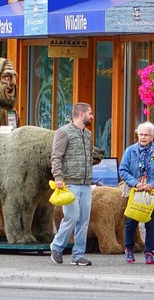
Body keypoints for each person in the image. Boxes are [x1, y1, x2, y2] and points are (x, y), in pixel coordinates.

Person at [50, 102, 95, 267]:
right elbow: (56, 156)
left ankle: (78, 255)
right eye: (90, 113)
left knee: (84, 220)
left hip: (86, 183)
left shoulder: (88, 134)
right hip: (70, 183)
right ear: (82, 114)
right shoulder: (63, 132)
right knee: (72, 216)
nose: (92, 116)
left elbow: (89, 156)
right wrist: (58, 177)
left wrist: (89, 174)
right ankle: (57, 247)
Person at [119, 121, 154, 264]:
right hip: (134, 192)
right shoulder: (130, 151)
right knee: (131, 222)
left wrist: (151, 185)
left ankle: (149, 252)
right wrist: (136, 183)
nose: (143, 137)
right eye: (141, 134)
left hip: (151, 194)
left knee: (150, 223)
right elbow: (123, 170)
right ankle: (129, 249)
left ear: (152, 136)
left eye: (146, 135)